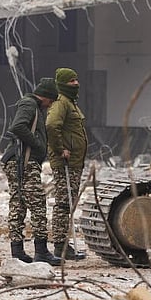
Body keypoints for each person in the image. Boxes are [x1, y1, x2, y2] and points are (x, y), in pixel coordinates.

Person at [0, 77, 61, 266]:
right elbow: (18, 127)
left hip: (17, 160)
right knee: (37, 204)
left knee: (18, 204)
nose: (50, 105)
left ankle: (17, 251)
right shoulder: (29, 104)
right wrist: (36, 143)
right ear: (45, 97)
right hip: (24, 160)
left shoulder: (31, 105)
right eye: (50, 101)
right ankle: (41, 251)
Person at [46, 67, 88, 260]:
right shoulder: (61, 103)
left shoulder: (71, 103)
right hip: (65, 161)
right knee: (64, 202)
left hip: (74, 162)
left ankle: (64, 245)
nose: (76, 84)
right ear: (63, 84)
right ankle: (60, 246)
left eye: (76, 80)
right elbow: (52, 125)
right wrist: (60, 148)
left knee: (68, 203)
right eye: (72, 81)